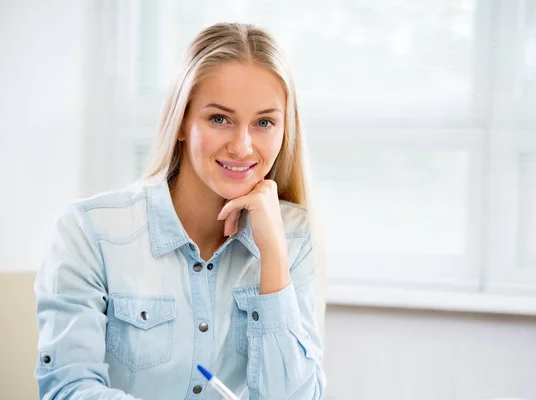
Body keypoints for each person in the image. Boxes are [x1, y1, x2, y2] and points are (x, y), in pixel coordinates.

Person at [34, 22, 326, 400]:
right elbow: (68, 389)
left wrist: (273, 256)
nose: (242, 146)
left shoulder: (293, 237)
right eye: (219, 119)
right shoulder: (88, 231)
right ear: (182, 122)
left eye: (264, 122)